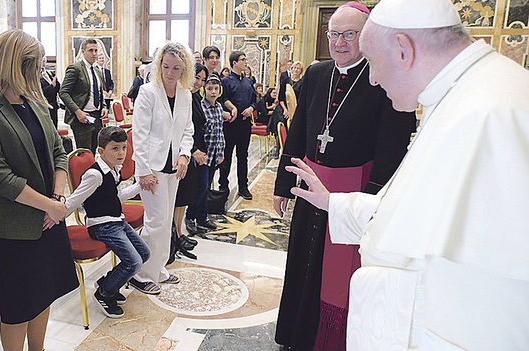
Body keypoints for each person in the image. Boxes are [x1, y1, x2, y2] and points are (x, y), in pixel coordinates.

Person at [285, 0, 529, 349]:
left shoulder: (489, 115)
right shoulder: (463, 94)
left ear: (403, 49)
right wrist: (335, 203)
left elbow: (479, 296)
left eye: (373, 61)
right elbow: (416, 214)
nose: (371, 77)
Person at [272, 2, 416, 350]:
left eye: (349, 34)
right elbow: (298, 132)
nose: (339, 42)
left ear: (365, 36)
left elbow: (392, 149)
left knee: (338, 276)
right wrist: (283, 185)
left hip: (353, 194)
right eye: (334, 34)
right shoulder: (317, 73)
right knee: (303, 266)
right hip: (310, 187)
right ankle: (296, 333)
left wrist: (369, 200)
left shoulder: (383, 77)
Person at [0, 29, 78, 351]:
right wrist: (49, 206)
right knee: (18, 307)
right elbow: (0, 178)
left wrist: (56, 199)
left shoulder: (37, 104)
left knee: (44, 294)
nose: (41, 72)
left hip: (48, 218)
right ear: (17, 65)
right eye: (36, 66)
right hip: (12, 227)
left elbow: (59, 153)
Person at [64, 126, 150, 318]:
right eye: (115, 148)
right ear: (101, 151)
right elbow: (73, 201)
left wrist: (139, 185)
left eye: (123, 148)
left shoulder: (114, 169)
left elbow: (116, 196)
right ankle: (104, 293)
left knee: (144, 253)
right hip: (101, 225)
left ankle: (107, 282)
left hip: (117, 221)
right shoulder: (94, 175)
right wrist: (54, 217)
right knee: (133, 262)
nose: (121, 153)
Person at [130, 42, 194, 295]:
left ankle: (159, 269)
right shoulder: (148, 92)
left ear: (184, 69)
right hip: (151, 167)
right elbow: (140, 133)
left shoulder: (185, 95)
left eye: (176, 68)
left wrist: (185, 155)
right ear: (159, 66)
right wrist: (143, 170)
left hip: (173, 167)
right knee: (155, 221)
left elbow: (188, 129)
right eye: (166, 66)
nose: (170, 72)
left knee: (166, 220)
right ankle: (140, 273)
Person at [174, 63, 209, 254]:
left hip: (191, 153)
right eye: (197, 78)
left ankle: (179, 233)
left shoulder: (193, 97)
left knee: (185, 196)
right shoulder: (180, 96)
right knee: (179, 197)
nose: (199, 83)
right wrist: (194, 150)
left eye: (203, 80)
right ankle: (175, 235)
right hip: (183, 153)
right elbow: (180, 129)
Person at [185, 74, 225, 234]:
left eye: (216, 89)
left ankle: (203, 217)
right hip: (203, 154)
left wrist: (221, 153)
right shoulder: (200, 106)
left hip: (215, 153)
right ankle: (190, 217)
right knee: (199, 187)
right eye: (209, 88)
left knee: (207, 186)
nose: (213, 92)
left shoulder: (220, 107)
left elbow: (220, 132)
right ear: (204, 90)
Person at [59, 38, 109, 154]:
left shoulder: (97, 71)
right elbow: (63, 92)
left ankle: (92, 172)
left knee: (93, 150)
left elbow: (100, 92)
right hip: (82, 118)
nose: (94, 54)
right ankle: (83, 172)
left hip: (96, 117)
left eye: (96, 50)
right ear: (83, 51)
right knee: (84, 153)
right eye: (90, 50)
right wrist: (77, 111)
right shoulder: (76, 68)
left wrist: (105, 106)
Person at [219, 51, 257, 200]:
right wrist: (232, 108)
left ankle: (243, 186)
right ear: (234, 63)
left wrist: (251, 109)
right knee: (226, 155)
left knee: (243, 156)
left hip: (245, 124)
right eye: (243, 60)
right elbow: (223, 99)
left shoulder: (248, 81)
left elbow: (255, 100)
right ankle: (223, 186)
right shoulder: (226, 81)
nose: (246, 62)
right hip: (230, 124)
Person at [40, 57, 60, 128]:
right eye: (41, 61)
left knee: (54, 126)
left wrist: (58, 85)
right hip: (44, 106)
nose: (43, 63)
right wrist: (52, 86)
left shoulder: (50, 73)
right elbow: (42, 91)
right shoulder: (36, 76)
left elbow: (57, 88)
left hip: (53, 106)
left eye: (44, 61)